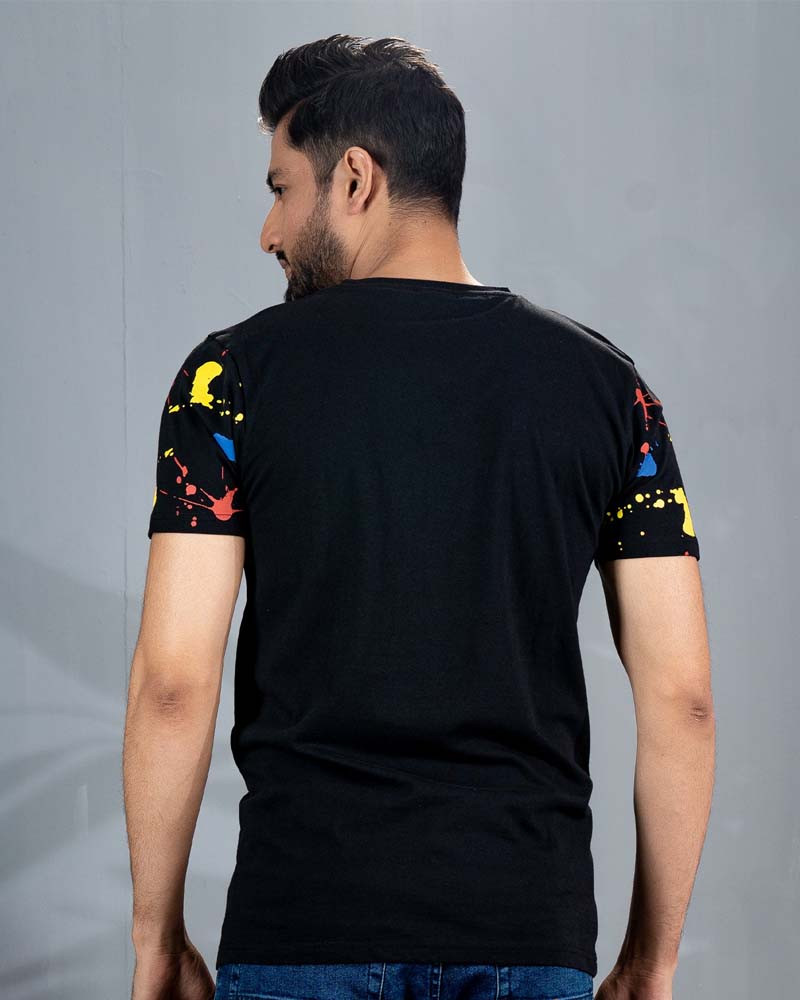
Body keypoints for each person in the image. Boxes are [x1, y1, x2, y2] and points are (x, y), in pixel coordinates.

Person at [123, 33, 714, 1000]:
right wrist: (652, 961)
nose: (268, 232)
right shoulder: (613, 393)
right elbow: (682, 698)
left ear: (355, 179)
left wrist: (157, 940)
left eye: (281, 189)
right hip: (528, 931)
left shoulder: (227, 381)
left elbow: (173, 686)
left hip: (301, 926)